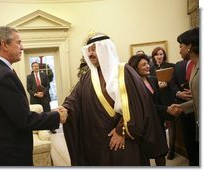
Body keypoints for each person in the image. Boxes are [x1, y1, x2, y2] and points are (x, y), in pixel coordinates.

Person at [62, 33, 168, 166]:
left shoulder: (125, 72)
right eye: (88, 50)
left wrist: (121, 130)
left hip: (124, 140)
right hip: (98, 141)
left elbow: (138, 105)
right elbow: (74, 100)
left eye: (94, 49)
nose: (90, 54)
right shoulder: (87, 77)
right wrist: (65, 109)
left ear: (105, 49)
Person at [0, 26, 67, 166]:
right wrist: (57, 116)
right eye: (18, 42)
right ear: (4, 44)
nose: (22, 47)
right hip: (9, 153)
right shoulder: (3, 75)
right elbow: (25, 120)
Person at [128, 54, 181, 166]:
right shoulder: (132, 86)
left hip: (157, 123)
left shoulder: (153, 80)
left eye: (148, 63)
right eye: (143, 64)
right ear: (135, 67)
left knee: (160, 153)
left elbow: (158, 102)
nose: (148, 66)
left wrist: (168, 109)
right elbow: (146, 106)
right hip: (143, 124)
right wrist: (166, 109)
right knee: (143, 155)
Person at [170, 27, 199, 166]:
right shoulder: (196, 66)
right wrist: (181, 106)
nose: (179, 50)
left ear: (190, 47)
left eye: (181, 46)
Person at [151, 47, 176, 160]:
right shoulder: (151, 68)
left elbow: (175, 82)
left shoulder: (171, 66)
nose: (159, 56)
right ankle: (162, 148)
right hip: (157, 100)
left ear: (164, 55)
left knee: (171, 124)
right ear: (153, 56)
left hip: (168, 98)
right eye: (156, 54)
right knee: (159, 125)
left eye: (161, 54)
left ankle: (171, 150)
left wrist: (167, 83)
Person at [27, 61, 56, 134]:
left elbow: (48, 86)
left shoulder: (44, 75)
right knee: (37, 115)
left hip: (45, 97)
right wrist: (35, 94)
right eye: (34, 66)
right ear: (32, 68)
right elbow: (29, 89)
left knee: (48, 113)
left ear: (38, 67)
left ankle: (51, 128)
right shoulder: (29, 77)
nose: (36, 67)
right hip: (35, 99)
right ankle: (40, 130)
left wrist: (43, 93)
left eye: (37, 66)